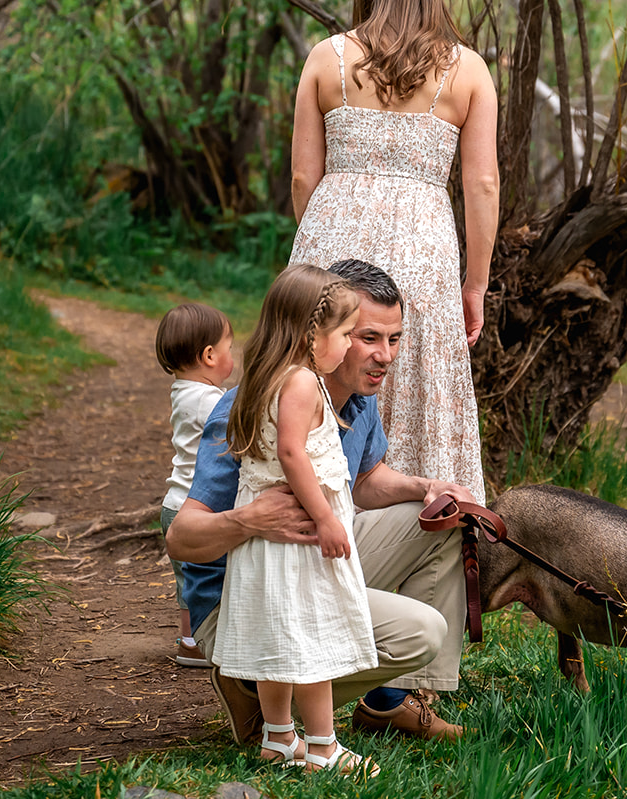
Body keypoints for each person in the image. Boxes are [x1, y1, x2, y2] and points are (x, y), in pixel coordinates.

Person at [165, 259, 474, 745]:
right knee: (421, 632)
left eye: (394, 339)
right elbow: (181, 540)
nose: (385, 355)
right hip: (245, 593)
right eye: (366, 336)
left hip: (309, 556)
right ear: (321, 330)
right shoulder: (251, 404)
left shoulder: (357, 394)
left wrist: (426, 487)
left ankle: (390, 702)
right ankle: (258, 690)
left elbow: (363, 480)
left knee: (441, 521)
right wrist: (248, 520)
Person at [289, 0, 499, 505]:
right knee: (413, 377)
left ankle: (307, 516)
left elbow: (304, 177)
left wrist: (318, 236)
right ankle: (422, 523)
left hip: (331, 237)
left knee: (318, 369)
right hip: (423, 248)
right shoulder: (469, 70)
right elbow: (482, 185)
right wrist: (475, 284)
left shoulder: (326, 57)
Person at [209, 264, 378, 772]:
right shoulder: (303, 381)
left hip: (272, 542)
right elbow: (291, 452)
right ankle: (324, 746)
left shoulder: (267, 376)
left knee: (279, 638)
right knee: (313, 640)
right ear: (311, 334)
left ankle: (280, 736)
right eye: (345, 334)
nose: (349, 346)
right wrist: (325, 517)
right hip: (301, 536)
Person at [154, 302, 234, 668]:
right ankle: (201, 640)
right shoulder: (210, 400)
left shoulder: (182, 391)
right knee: (208, 575)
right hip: (196, 507)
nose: (233, 355)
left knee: (187, 580)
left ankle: (189, 639)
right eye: (230, 347)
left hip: (174, 503)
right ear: (209, 355)